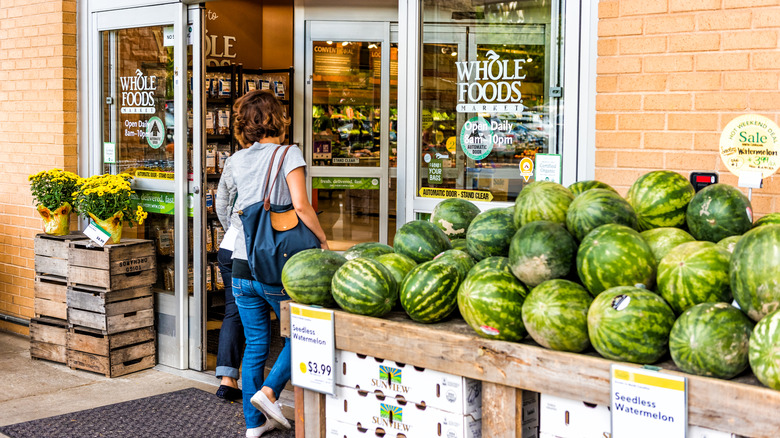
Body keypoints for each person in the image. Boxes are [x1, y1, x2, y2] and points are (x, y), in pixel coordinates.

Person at [217, 90, 329, 438]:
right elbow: (301, 205)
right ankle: (269, 393)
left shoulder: (235, 160)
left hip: (241, 264)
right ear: (276, 118)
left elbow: (222, 206)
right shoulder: (289, 153)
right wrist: (323, 240)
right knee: (304, 334)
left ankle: (254, 425)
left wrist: (241, 233)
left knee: (255, 344)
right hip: (277, 267)